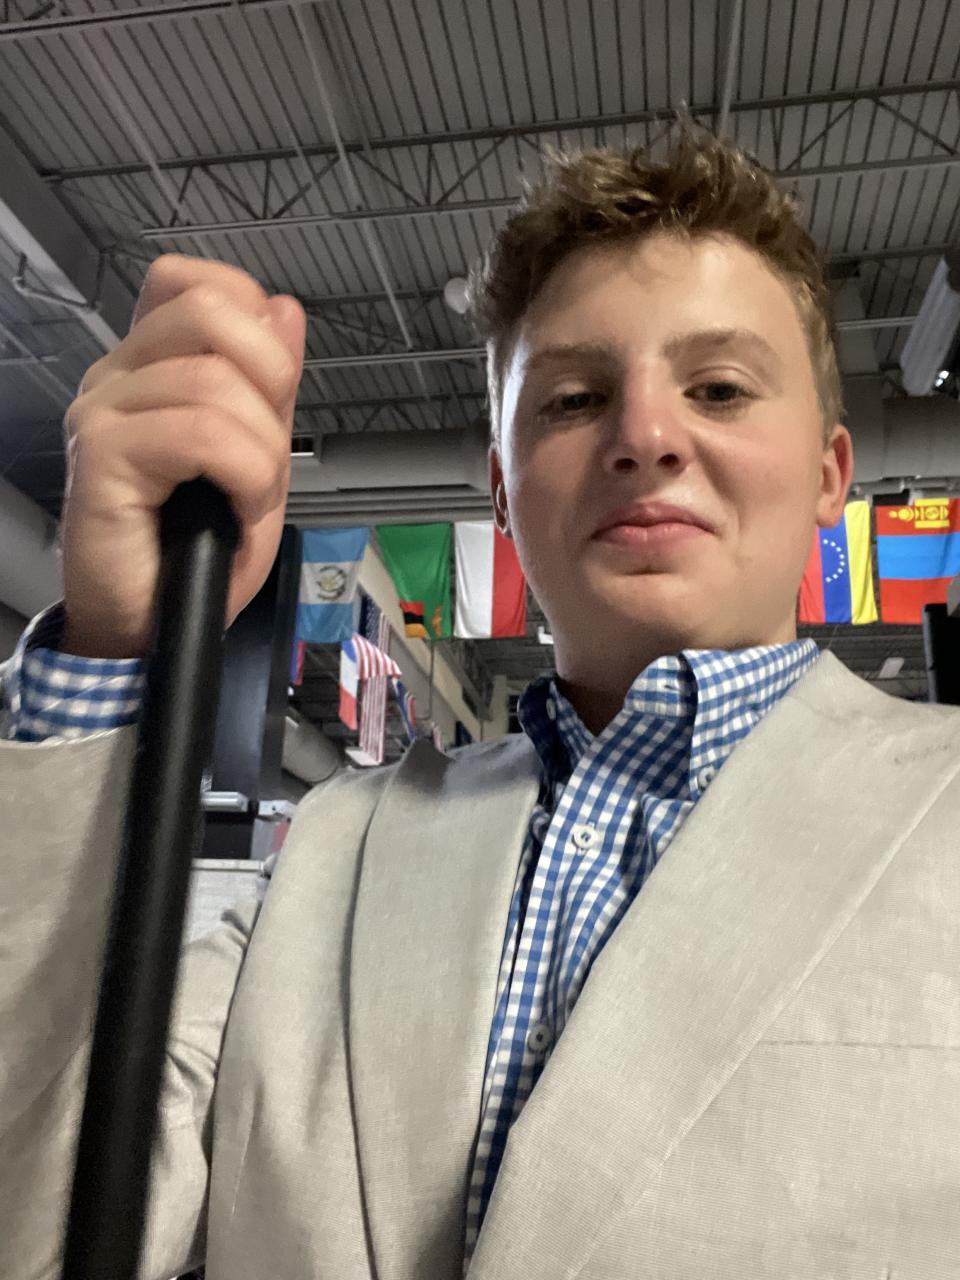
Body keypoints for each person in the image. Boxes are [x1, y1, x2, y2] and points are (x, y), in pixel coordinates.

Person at [3, 125, 960, 1280]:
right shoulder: (337, 849)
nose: (645, 435)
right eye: (573, 398)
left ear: (829, 473)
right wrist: (114, 640)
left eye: (718, 387)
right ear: (501, 492)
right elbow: (35, 1217)